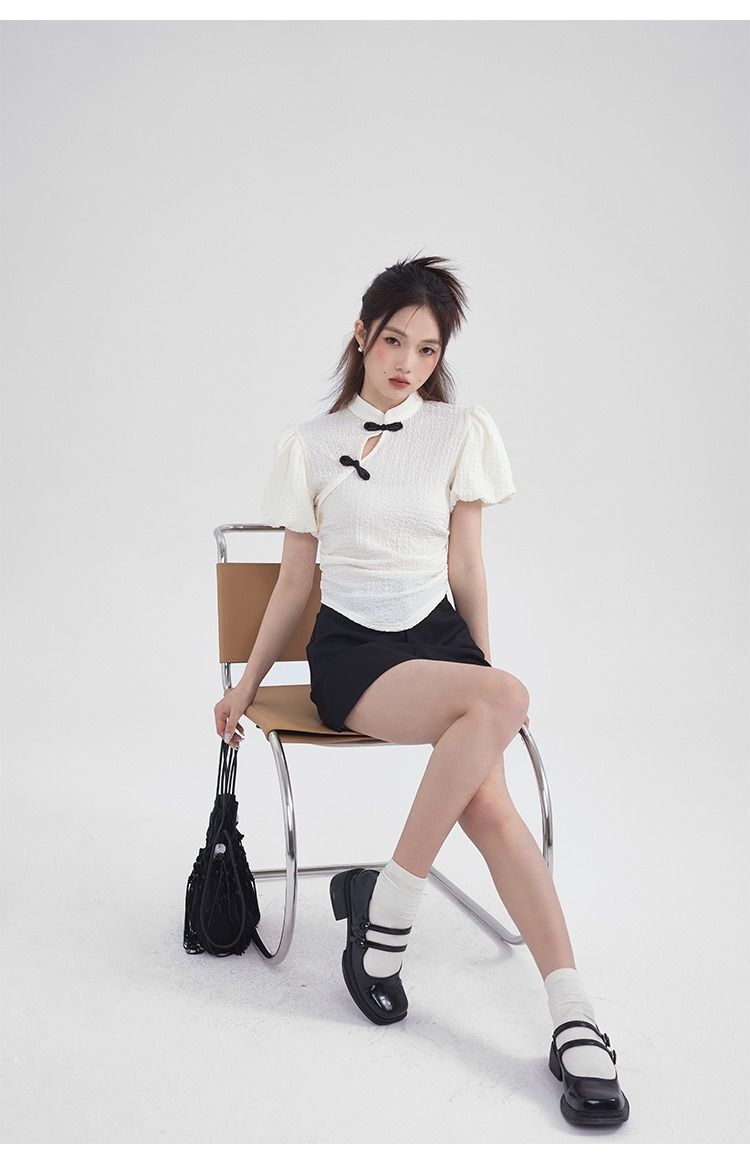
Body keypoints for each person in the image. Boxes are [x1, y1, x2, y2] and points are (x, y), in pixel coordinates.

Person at [214, 254, 629, 1128]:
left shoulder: (460, 430)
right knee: (504, 705)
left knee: (494, 796)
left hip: (439, 643)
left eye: (428, 349)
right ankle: (401, 920)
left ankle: (567, 1009)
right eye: (394, 340)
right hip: (354, 654)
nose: (408, 362)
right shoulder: (309, 444)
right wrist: (244, 687)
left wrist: (480, 683)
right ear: (362, 334)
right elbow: (293, 584)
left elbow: (467, 565)